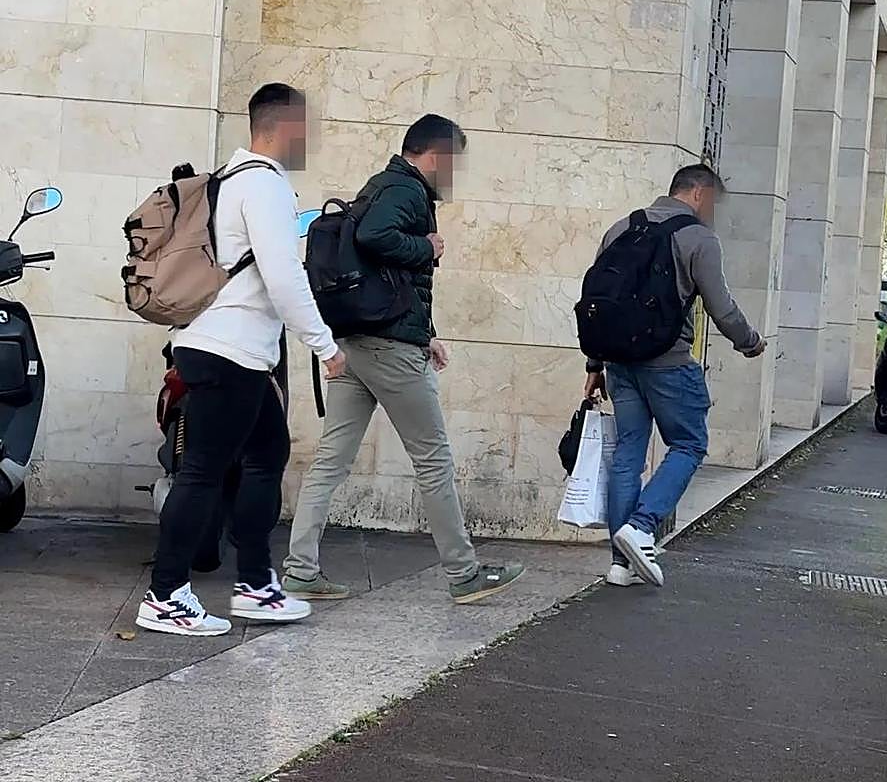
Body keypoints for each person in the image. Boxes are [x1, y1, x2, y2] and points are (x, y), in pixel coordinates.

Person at [283, 114, 524, 605]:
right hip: (389, 351)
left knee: (330, 462)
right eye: (453, 161)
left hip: (359, 342)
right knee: (433, 459)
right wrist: (426, 246)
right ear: (434, 156)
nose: (454, 173)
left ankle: (300, 569)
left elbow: (389, 280)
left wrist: (426, 333)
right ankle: (464, 573)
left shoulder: (380, 184)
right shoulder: (406, 190)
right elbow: (376, 239)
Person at [138, 83, 347, 637]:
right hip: (227, 348)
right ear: (282, 127)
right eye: (307, 127)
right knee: (203, 473)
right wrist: (325, 345)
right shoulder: (265, 185)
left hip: (226, 348)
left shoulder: (231, 180)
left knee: (266, 453)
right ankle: (164, 594)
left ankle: (256, 584)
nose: (311, 139)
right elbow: (283, 274)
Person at [584, 164, 766, 588]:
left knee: (629, 451)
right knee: (689, 444)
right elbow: (722, 308)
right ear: (700, 194)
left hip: (619, 362)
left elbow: (598, 300)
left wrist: (595, 364)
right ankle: (642, 527)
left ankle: (620, 563)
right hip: (667, 362)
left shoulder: (620, 229)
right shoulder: (698, 238)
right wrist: (750, 342)